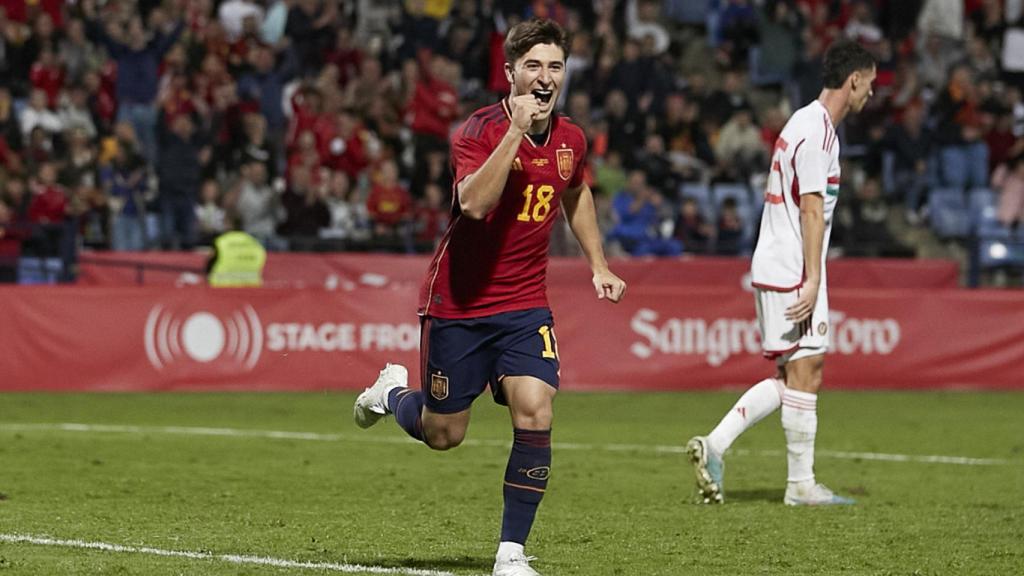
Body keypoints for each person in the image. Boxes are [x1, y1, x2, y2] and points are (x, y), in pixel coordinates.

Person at [352, 18, 626, 576]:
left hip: (525, 306)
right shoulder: (478, 132)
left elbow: (575, 194)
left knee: (536, 409)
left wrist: (598, 262)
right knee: (443, 435)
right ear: (511, 74)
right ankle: (391, 394)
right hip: (459, 305)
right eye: (533, 66)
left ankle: (510, 553)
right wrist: (514, 135)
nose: (545, 77)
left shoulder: (572, 139)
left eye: (554, 66)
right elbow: (474, 205)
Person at [686, 39, 876, 506]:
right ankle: (798, 485)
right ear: (853, 80)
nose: (870, 94)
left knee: (798, 372)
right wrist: (813, 279)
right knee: (807, 370)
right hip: (793, 266)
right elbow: (812, 209)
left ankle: (723, 448)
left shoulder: (805, 122)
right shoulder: (818, 133)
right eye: (869, 84)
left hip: (780, 261)